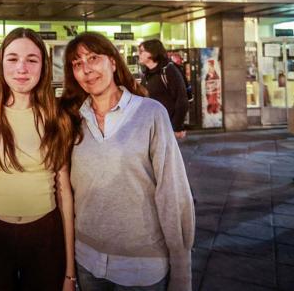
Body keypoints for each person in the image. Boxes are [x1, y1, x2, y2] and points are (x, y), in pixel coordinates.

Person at [60, 32, 195, 291]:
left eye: (93, 58)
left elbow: (173, 192)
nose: (86, 69)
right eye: (77, 64)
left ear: (113, 62)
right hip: (87, 261)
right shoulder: (73, 119)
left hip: (141, 266)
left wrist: (181, 269)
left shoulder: (150, 113)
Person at [0, 28, 76, 291]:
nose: (22, 68)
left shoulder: (57, 119)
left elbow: (64, 192)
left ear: (44, 66)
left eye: (32, 59)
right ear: (1, 62)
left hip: (45, 236)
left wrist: (70, 274)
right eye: (13, 58)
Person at [139, 39, 189, 139]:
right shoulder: (147, 73)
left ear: (151, 53)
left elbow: (182, 100)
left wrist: (176, 127)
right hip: (151, 126)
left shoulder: (169, 70)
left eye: (141, 51)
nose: (138, 54)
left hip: (167, 127)